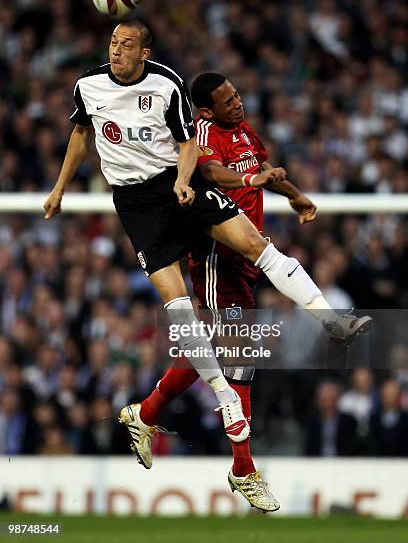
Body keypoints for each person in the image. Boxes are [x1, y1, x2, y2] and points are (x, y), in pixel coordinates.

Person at [44, 25, 370, 510]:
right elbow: (92, 135)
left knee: (257, 262)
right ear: (209, 109)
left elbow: (200, 155)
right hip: (152, 212)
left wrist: (295, 195)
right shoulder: (93, 87)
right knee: (228, 348)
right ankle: (241, 462)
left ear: (145, 51)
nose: (116, 49)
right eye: (112, 42)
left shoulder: (181, 94)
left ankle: (148, 411)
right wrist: (60, 188)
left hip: (185, 195)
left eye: (126, 43)